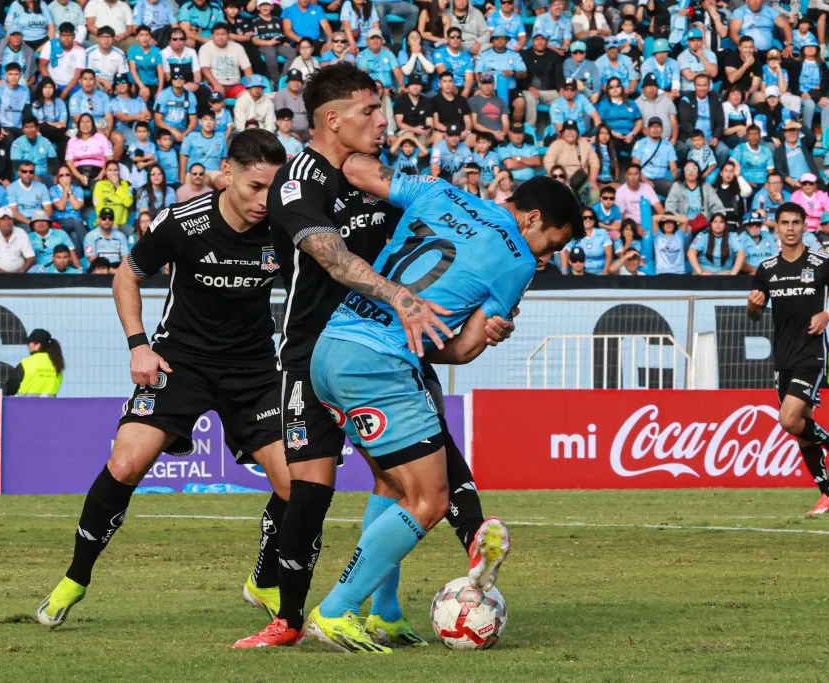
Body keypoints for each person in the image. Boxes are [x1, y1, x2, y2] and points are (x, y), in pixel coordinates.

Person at [233, 63, 505, 651]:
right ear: (333, 119)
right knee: (310, 490)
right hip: (312, 356)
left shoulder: (369, 179)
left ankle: (386, 608)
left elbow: (434, 233)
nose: (383, 122)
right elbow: (331, 258)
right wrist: (402, 298)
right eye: (369, 112)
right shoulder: (295, 184)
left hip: (384, 349)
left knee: (405, 478)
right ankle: (289, 618)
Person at [302, 166, 576, 653]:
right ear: (532, 219)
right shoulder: (518, 265)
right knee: (428, 501)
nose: (549, 257)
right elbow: (458, 352)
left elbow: (359, 169)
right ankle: (336, 609)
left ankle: (384, 613)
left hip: (331, 345)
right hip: (378, 364)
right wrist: (485, 335)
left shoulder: (439, 192)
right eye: (552, 244)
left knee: (392, 483)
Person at [37, 129, 294, 629]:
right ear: (227, 173)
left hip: (255, 371)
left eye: (273, 188)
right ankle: (75, 578)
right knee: (126, 462)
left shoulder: (285, 228)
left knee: (296, 484)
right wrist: (139, 346)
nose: (264, 200)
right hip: (181, 362)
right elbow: (126, 276)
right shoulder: (182, 222)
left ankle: (262, 581)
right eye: (254, 187)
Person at [747, 201, 829, 516]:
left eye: (796, 222)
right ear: (777, 226)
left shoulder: (822, 263)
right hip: (782, 355)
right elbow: (754, 315)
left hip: (811, 355)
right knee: (798, 427)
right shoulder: (767, 268)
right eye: (784, 223)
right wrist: (753, 306)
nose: (790, 228)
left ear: (804, 225)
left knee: (787, 419)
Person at [5, 329, 65, 396]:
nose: (27, 346)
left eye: (29, 343)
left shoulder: (26, 363)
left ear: (37, 344)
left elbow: (11, 387)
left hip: (24, 405)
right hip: (49, 406)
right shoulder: (57, 365)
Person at [0, 206, 37, 273]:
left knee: (37, 269)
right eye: (3, 219)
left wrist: (21, 270)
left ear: (13, 221)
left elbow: (31, 258)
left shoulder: (21, 232)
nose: (7, 222)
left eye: (9, 219)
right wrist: (2, 273)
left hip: (20, 274)